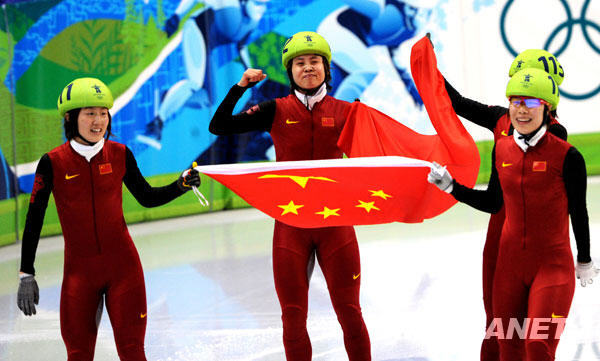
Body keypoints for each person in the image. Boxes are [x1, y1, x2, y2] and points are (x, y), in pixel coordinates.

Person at [209, 31, 371, 361]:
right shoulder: (273, 109)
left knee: (350, 313)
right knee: (293, 319)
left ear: (327, 68)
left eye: (314, 61)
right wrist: (240, 88)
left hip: (335, 226)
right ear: (290, 70)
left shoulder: (348, 112)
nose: (307, 68)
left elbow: (382, 149)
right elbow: (219, 125)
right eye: (300, 63)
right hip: (290, 228)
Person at [16, 77, 201, 360]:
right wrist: (26, 272)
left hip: (124, 271)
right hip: (80, 276)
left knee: (133, 353)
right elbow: (34, 218)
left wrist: (181, 185)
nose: (98, 120)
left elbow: (147, 197)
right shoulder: (52, 162)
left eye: (103, 113)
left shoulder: (120, 154)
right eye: (90, 113)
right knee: (78, 355)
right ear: (70, 117)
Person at [428, 68, 599, 361]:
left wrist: (584, 258)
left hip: (552, 268)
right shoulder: (503, 149)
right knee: (507, 349)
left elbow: (578, 210)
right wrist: (452, 187)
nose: (521, 110)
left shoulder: (567, 155)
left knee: (537, 347)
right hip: (508, 271)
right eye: (515, 102)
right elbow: (493, 203)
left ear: (547, 108)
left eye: (531, 103)